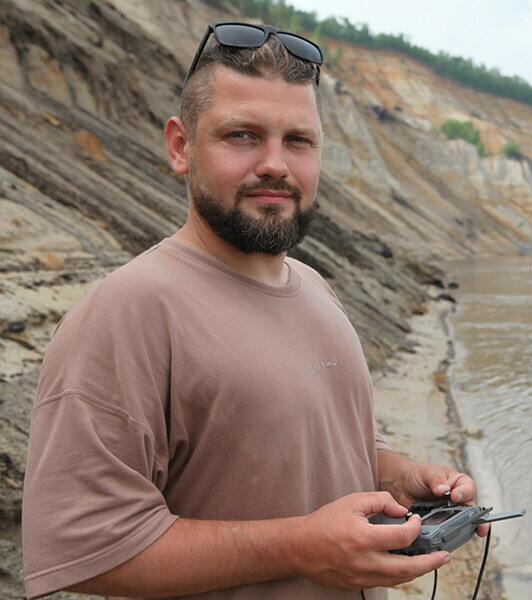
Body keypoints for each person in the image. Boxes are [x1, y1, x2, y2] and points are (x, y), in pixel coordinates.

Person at [22, 21, 484, 600]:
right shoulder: (127, 312)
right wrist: (299, 548)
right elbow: (83, 548)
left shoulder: (317, 288)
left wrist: (402, 476)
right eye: (242, 136)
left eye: (298, 140)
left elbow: (326, 445)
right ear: (180, 147)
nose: (275, 164)